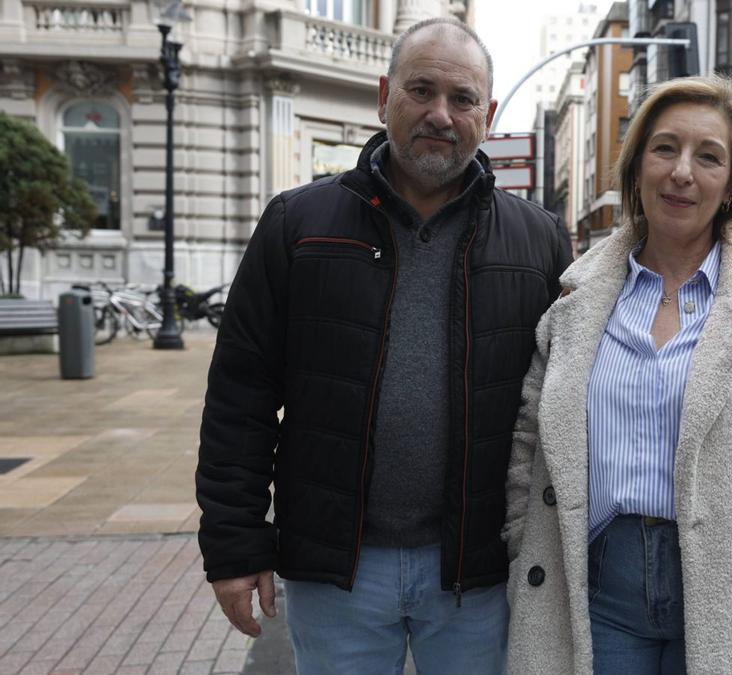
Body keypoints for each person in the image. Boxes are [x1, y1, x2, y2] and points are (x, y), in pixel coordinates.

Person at [195, 17, 572, 674]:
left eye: (462, 99)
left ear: (485, 113)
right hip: (338, 571)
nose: (440, 114)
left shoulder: (537, 241)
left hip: (479, 573)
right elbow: (241, 395)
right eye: (420, 90)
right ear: (384, 95)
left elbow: (564, 404)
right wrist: (234, 546)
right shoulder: (298, 224)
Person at [502, 75, 732, 674]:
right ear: (637, 167)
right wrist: (524, 548)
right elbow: (530, 448)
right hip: (596, 588)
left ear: (731, 185)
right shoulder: (573, 306)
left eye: (708, 157)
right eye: (665, 148)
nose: (683, 171)